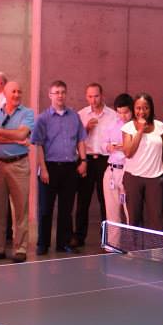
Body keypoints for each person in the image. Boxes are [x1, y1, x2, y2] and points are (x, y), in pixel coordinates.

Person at [32, 80, 87, 255]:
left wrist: (83, 161)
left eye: (63, 92)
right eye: (56, 92)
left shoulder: (74, 116)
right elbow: (38, 145)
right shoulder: (42, 118)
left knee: (66, 208)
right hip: (50, 167)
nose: (60, 95)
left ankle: (63, 243)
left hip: (70, 168)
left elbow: (80, 140)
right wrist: (44, 169)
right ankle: (43, 244)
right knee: (46, 208)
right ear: (50, 95)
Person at [0, 81, 35, 262]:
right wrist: (13, 138)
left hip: (19, 165)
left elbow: (22, 134)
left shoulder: (27, 113)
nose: (16, 94)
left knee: (21, 208)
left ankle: (21, 248)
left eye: (19, 91)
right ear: (5, 94)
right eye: (13, 91)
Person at [73, 82, 116, 247]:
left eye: (96, 96)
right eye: (90, 96)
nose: (93, 99)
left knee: (105, 200)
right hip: (86, 159)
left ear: (102, 95)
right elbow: (75, 139)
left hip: (105, 160)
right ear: (86, 97)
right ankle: (79, 236)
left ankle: (106, 237)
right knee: (83, 200)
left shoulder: (112, 115)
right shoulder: (81, 114)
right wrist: (85, 128)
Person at [122, 93, 163, 230]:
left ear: (151, 109)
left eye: (145, 108)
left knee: (157, 219)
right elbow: (128, 152)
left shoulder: (161, 127)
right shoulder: (128, 128)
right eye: (138, 108)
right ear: (134, 109)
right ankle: (135, 250)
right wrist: (140, 131)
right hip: (133, 177)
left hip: (155, 179)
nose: (141, 112)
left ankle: (157, 251)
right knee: (134, 218)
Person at [101, 94, 133, 224]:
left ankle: (132, 243)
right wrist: (108, 147)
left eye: (125, 112)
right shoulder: (112, 124)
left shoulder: (136, 127)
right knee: (112, 213)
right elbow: (102, 144)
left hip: (129, 171)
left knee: (130, 211)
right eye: (119, 112)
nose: (122, 116)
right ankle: (112, 244)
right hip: (112, 170)